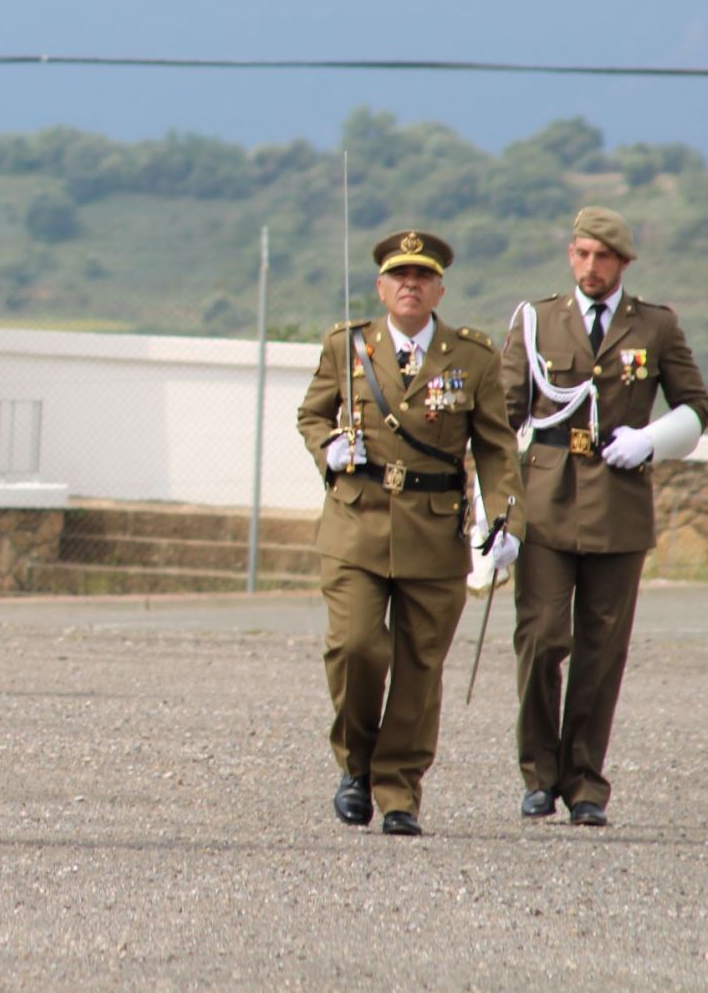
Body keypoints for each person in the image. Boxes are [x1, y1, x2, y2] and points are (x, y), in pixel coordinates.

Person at [295, 229, 523, 836]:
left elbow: (497, 448)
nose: (410, 285)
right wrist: (329, 447)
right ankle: (355, 764)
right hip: (356, 522)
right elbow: (311, 413)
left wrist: (505, 518)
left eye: (422, 276)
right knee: (355, 648)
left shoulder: (472, 357)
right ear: (381, 286)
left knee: (420, 668)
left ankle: (398, 790)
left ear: (439, 288)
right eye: (399, 276)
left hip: (433, 531)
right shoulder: (348, 347)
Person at [500, 207, 708, 826]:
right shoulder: (537, 322)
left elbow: (696, 406)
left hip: (619, 504)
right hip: (544, 499)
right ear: (572, 255)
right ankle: (539, 774)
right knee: (541, 639)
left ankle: (585, 782)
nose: (592, 267)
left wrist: (652, 440)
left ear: (623, 264)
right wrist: (491, 503)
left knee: (601, 650)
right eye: (583, 254)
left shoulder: (656, 325)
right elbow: (505, 414)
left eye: (604, 258)